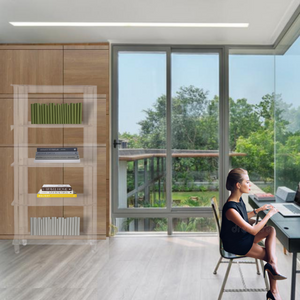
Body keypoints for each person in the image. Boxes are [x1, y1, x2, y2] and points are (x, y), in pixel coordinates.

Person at [220, 168, 286, 300]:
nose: (250, 185)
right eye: (248, 182)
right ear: (238, 185)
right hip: (236, 244)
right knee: (270, 256)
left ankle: (272, 267)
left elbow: (243, 217)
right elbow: (253, 230)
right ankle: (274, 292)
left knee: (270, 230)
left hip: (241, 236)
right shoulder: (230, 209)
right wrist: (268, 215)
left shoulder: (238, 200)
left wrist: (258, 210)